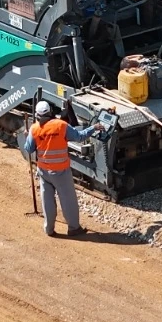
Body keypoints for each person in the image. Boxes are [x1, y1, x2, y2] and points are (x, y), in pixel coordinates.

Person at [21, 101, 99, 237]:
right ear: (50, 112)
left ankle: (49, 229)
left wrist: (27, 135)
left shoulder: (35, 129)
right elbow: (79, 137)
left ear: (37, 115)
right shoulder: (61, 125)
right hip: (61, 171)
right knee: (68, 200)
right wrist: (94, 127)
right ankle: (74, 228)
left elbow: (28, 148)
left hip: (44, 171)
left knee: (47, 200)